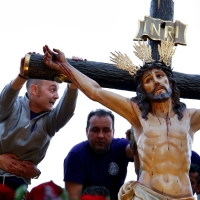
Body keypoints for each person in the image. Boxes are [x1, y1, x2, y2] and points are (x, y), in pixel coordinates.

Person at [43, 40, 198, 199]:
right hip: (147, 195)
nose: (156, 81)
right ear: (143, 90)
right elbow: (95, 92)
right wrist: (64, 66)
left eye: (159, 76)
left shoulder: (190, 117)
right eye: (148, 80)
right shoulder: (137, 114)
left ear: (170, 82)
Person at [0, 52, 78, 192]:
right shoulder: (12, 107)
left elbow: (66, 110)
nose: (57, 96)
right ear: (34, 90)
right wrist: (23, 74)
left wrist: (74, 76)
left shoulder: (50, 122)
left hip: (18, 189)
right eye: (52, 89)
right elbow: (6, 97)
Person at [64, 109, 134, 200]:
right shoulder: (76, 155)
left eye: (106, 130)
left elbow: (136, 152)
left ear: (113, 132)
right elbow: (73, 198)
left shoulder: (120, 146)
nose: (100, 135)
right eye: (95, 130)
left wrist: (135, 140)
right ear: (87, 131)